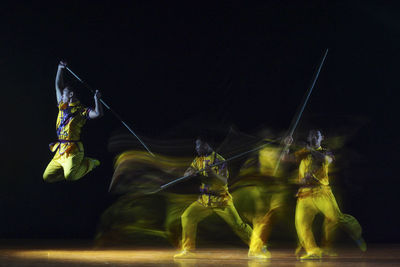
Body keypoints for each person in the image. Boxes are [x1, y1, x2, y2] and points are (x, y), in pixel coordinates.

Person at [174, 137, 268, 259]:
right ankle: (188, 250)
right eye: (196, 146)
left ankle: (258, 247)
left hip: (221, 201)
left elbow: (223, 181)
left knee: (238, 225)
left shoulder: (220, 160)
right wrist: (188, 174)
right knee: (187, 216)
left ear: (207, 145)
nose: (197, 148)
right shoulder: (198, 160)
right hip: (204, 201)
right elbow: (189, 170)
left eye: (199, 145)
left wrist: (212, 174)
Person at [293, 130, 366, 260]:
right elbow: (286, 158)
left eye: (317, 135)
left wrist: (310, 150)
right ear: (308, 137)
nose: (314, 137)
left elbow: (327, 160)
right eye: (311, 135)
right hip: (304, 195)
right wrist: (287, 145)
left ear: (322, 138)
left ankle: (356, 233)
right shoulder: (304, 152)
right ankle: (313, 252)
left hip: (321, 193)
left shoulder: (325, 151)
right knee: (301, 224)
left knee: (337, 218)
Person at [43, 61, 103, 182]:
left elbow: (98, 113)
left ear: (71, 95)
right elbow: (58, 86)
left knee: (70, 176)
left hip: (73, 150)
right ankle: (68, 169)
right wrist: (60, 69)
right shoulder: (62, 105)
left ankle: (89, 163)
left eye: (64, 95)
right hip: (61, 150)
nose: (61, 96)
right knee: (47, 177)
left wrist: (97, 99)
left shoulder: (81, 111)